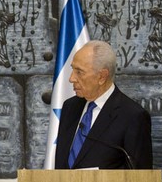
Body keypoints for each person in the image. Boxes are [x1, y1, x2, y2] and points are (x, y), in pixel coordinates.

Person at [54, 40, 153, 169]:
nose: (71, 78)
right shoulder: (70, 107)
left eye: (79, 72)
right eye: (73, 70)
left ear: (102, 76)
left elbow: (141, 177)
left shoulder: (133, 116)